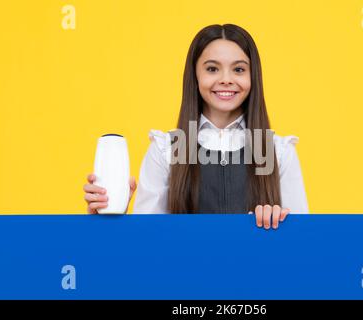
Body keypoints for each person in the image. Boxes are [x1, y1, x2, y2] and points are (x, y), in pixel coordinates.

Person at [83, 24, 309, 230]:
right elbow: (147, 244)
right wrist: (111, 219)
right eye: (212, 69)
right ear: (195, 75)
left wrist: (280, 223)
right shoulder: (166, 150)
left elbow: (303, 245)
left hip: (257, 274)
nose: (226, 79)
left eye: (239, 69)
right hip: (182, 275)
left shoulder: (278, 151)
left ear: (253, 76)